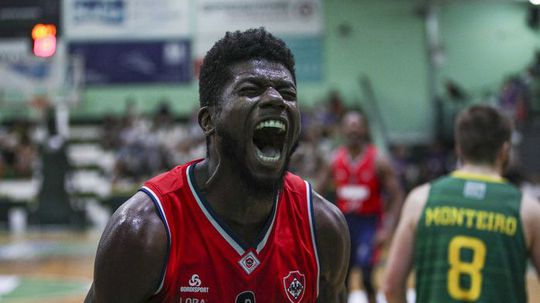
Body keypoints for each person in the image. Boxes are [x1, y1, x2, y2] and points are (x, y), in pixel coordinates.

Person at [85, 28, 350, 303]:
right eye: (250, 90)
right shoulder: (143, 231)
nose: (276, 99)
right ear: (208, 121)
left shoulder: (322, 227)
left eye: (287, 92)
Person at [383, 105, 540, 302]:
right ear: (504, 150)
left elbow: (391, 286)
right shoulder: (527, 209)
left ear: (459, 148)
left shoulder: (420, 200)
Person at [317, 111, 404, 303]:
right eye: (349, 125)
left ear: (364, 129)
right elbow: (316, 195)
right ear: (342, 130)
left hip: (368, 223)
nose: (353, 129)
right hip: (342, 223)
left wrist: (387, 229)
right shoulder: (334, 160)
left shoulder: (378, 160)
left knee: (366, 275)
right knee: (341, 279)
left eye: (357, 125)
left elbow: (397, 195)